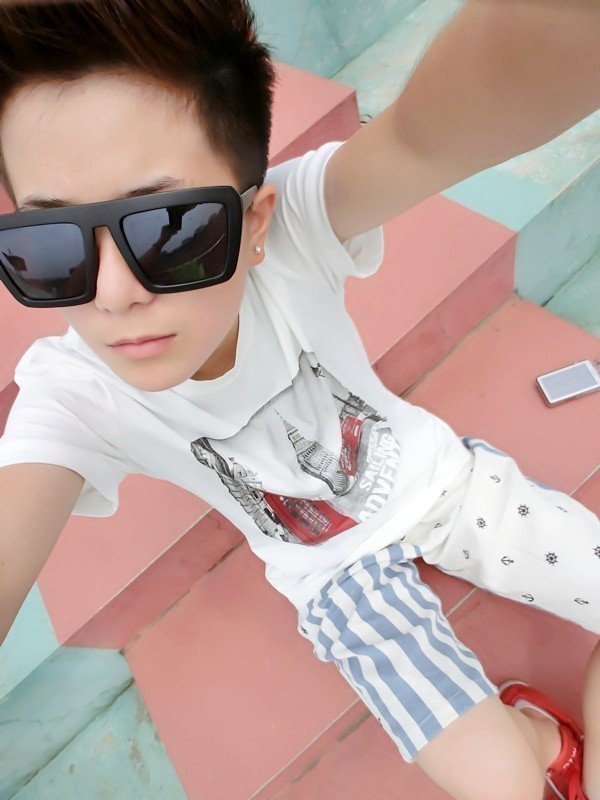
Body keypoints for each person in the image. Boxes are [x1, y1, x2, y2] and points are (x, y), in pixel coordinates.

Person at [0, 1, 598, 798]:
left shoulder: (294, 234)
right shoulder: (70, 396)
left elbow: (425, 135)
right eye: (49, 246)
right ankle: (533, 736)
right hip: (336, 574)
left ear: (255, 222)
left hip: (443, 483)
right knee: (505, 787)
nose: (113, 294)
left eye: (171, 230)